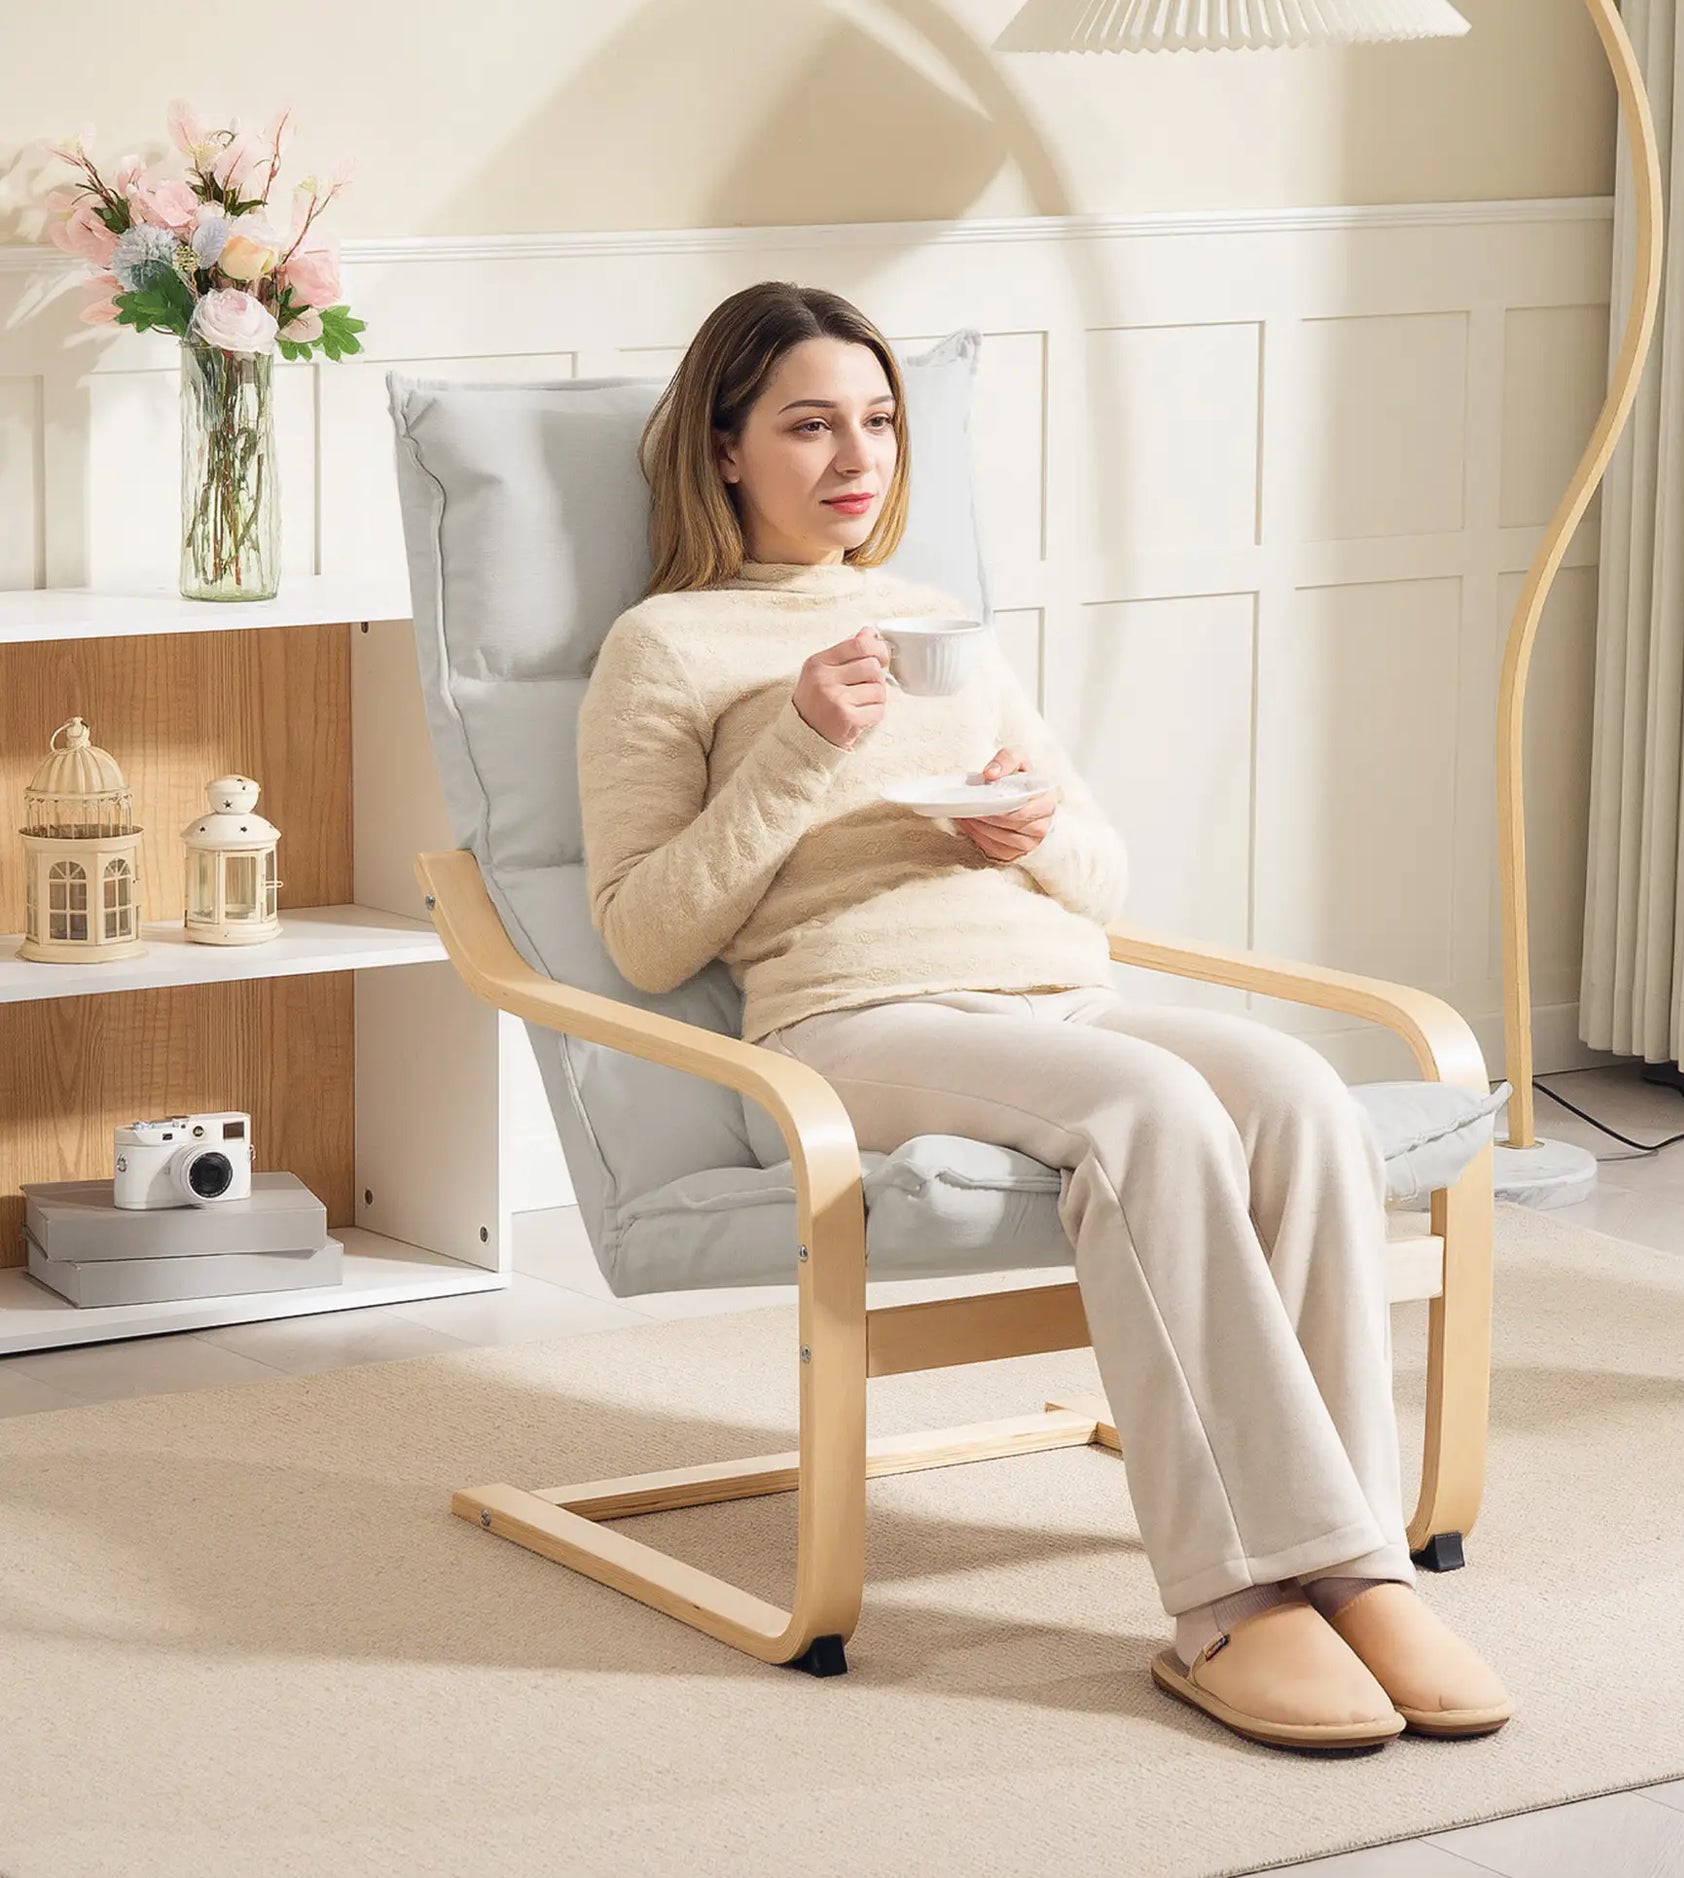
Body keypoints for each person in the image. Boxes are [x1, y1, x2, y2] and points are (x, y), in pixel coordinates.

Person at [576, 279, 1512, 1752]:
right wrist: (802, 743)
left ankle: (1354, 1569)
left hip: (1050, 990)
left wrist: (1026, 831)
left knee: (1294, 1093)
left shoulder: (935, 624)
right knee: (1152, 1112)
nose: (856, 457)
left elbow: (1100, 872)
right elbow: (643, 934)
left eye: (878, 420)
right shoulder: (667, 645)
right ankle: (1227, 1606)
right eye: (809, 425)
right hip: (852, 1022)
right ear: (724, 448)